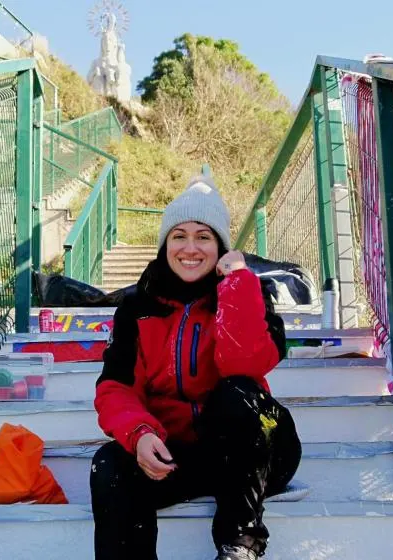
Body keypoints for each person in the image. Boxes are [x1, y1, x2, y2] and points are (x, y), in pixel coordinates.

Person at [90, 176, 302, 560]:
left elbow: (245, 364)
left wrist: (237, 281)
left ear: (221, 247)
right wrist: (139, 435)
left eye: (204, 237)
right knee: (108, 463)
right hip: (179, 456)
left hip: (255, 451)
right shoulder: (136, 308)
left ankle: (240, 544)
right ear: (164, 246)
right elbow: (114, 389)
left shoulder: (249, 293)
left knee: (236, 392)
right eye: (179, 236)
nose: (191, 248)